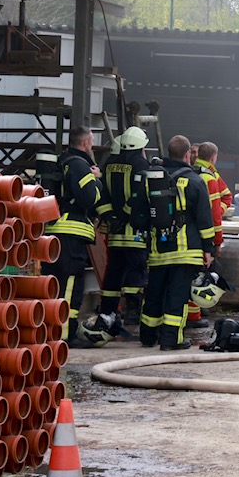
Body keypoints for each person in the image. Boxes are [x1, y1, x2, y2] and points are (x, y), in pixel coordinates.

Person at [133, 134, 216, 351]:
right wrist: (208, 248)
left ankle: (148, 336)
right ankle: (171, 339)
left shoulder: (151, 179)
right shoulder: (195, 180)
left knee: (154, 293)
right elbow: (204, 219)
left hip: (158, 249)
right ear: (188, 155)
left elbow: (139, 214)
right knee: (177, 296)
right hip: (186, 250)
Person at [43, 124, 113, 344]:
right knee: (70, 284)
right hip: (71, 234)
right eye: (91, 142)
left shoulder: (62, 161)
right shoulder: (79, 165)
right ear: (86, 143)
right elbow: (89, 199)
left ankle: (51, 331)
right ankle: (66, 334)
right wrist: (97, 180)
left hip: (53, 231)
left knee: (55, 283)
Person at [82, 126, 150, 342]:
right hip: (134, 232)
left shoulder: (109, 163)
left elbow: (101, 192)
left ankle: (108, 311)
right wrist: (127, 214)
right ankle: (133, 310)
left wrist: (110, 216)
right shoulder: (141, 165)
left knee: (113, 273)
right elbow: (140, 195)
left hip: (114, 232)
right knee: (136, 273)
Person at [189, 141, 233, 327]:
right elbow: (214, 215)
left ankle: (195, 311)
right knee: (198, 274)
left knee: (192, 273)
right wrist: (217, 241)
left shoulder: (189, 174)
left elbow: (226, 198)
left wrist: (217, 211)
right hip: (203, 234)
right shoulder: (209, 177)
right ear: (214, 158)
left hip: (188, 233)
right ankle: (193, 315)